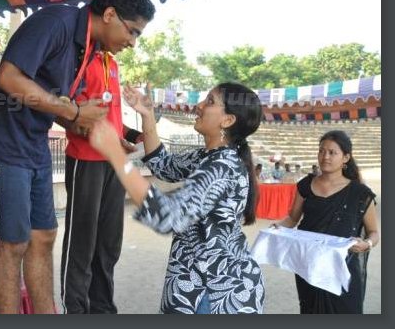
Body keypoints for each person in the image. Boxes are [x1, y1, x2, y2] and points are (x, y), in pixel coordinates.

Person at [0, 0, 155, 313]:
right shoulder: (56, 22)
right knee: (14, 242)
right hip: (3, 141)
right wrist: (74, 113)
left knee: (44, 236)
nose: (132, 42)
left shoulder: (90, 48)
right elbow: (8, 78)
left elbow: (59, 105)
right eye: (133, 31)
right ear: (110, 14)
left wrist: (97, 130)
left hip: (35, 142)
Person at [88, 83, 265, 314]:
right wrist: (147, 114)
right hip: (204, 284)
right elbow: (163, 165)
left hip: (213, 292)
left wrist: (116, 155)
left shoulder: (223, 166)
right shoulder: (209, 157)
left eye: (210, 102)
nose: (199, 105)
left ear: (228, 120)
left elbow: (169, 216)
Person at [59, 49, 143, 314]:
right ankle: (75, 310)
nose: (130, 42)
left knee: (108, 243)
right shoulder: (78, 58)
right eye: (130, 31)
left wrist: (136, 135)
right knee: (81, 242)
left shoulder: (111, 62)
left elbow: (113, 119)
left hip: (114, 160)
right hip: (86, 158)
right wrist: (102, 137)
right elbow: (65, 111)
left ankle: (103, 308)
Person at [273, 130, 380, 313]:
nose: (325, 157)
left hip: (343, 267)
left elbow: (374, 232)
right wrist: (277, 227)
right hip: (309, 265)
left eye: (332, 152)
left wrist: (367, 244)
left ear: (346, 158)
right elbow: (292, 219)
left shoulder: (360, 193)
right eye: (321, 151)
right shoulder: (305, 185)